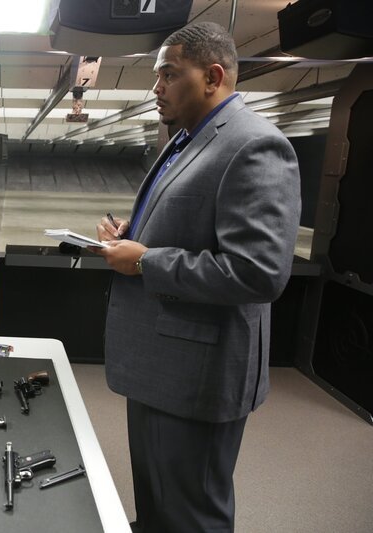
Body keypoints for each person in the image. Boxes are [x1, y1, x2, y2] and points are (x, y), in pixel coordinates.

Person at [92, 22, 301, 532]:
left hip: (197, 375)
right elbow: (189, 226)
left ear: (212, 76)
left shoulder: (255, 145)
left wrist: (144, 260)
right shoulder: (187, 140)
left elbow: (258, 271)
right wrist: (134, 233)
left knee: (191, 515)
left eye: (167, 74)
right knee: (159, 507)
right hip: (162, 365)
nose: (156, 87)